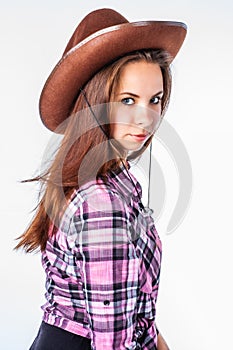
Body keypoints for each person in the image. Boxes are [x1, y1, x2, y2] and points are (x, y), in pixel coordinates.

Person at [15, 8, 187, 350]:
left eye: (154, 100)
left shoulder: (114, 178)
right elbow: (113, 341)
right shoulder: (100, 201)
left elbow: (137, 316)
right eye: (127, 100)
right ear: (96, 103)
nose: (146, 118)